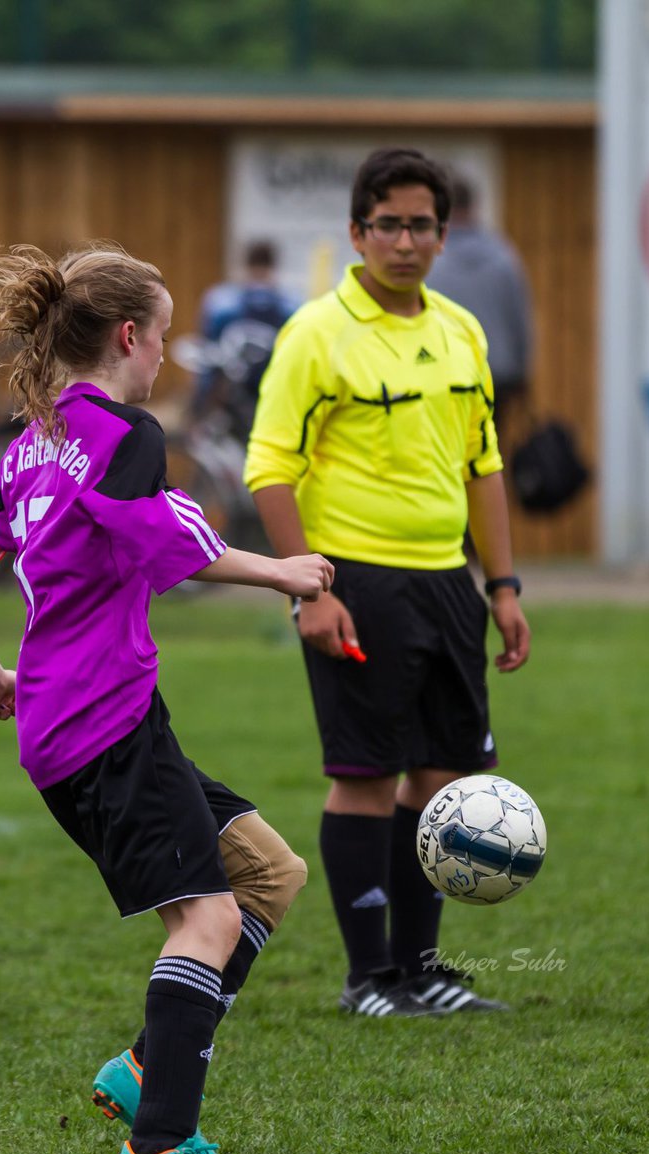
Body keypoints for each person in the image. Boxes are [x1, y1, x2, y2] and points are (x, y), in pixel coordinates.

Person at [0, 241, 334, 1154]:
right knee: (207, 917)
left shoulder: (28, 445)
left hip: (79, 722)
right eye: (161, 339)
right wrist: (281, 570)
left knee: (268, 875)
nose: (166, 359)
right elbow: (167, 539)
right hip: (103, 726)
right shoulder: (123, 434)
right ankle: (157, 1152)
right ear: (128, 336)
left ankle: (149, 1068)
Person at [244, 148, 531, 1018]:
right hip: (354, 580)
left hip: (449, 580)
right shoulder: (315, 334)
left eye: (421, 226)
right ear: (358, 232)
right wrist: (309, 589)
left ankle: (421, 969)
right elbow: (269, 468)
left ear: (445, 236)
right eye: (388, 225)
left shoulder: (461, 331)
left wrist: (504, 585)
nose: (404, 241)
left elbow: (483, 464)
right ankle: (368, 977)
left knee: (443, 778)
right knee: (367, 774)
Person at [425, 174, 533, 451]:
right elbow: (519, 320)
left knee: (445, 453)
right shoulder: (503, 256)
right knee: (488, 452)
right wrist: (522, 372)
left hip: (442, 374)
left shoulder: (429, 260)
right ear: (474, 207)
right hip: (498, 373)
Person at [191, 240, 298, 435]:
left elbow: (207, 356)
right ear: (273, 267)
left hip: (231, 397)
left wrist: (199, 405)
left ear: (245, 266)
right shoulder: (291, 306)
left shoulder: (221, 303)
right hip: (273, 394)